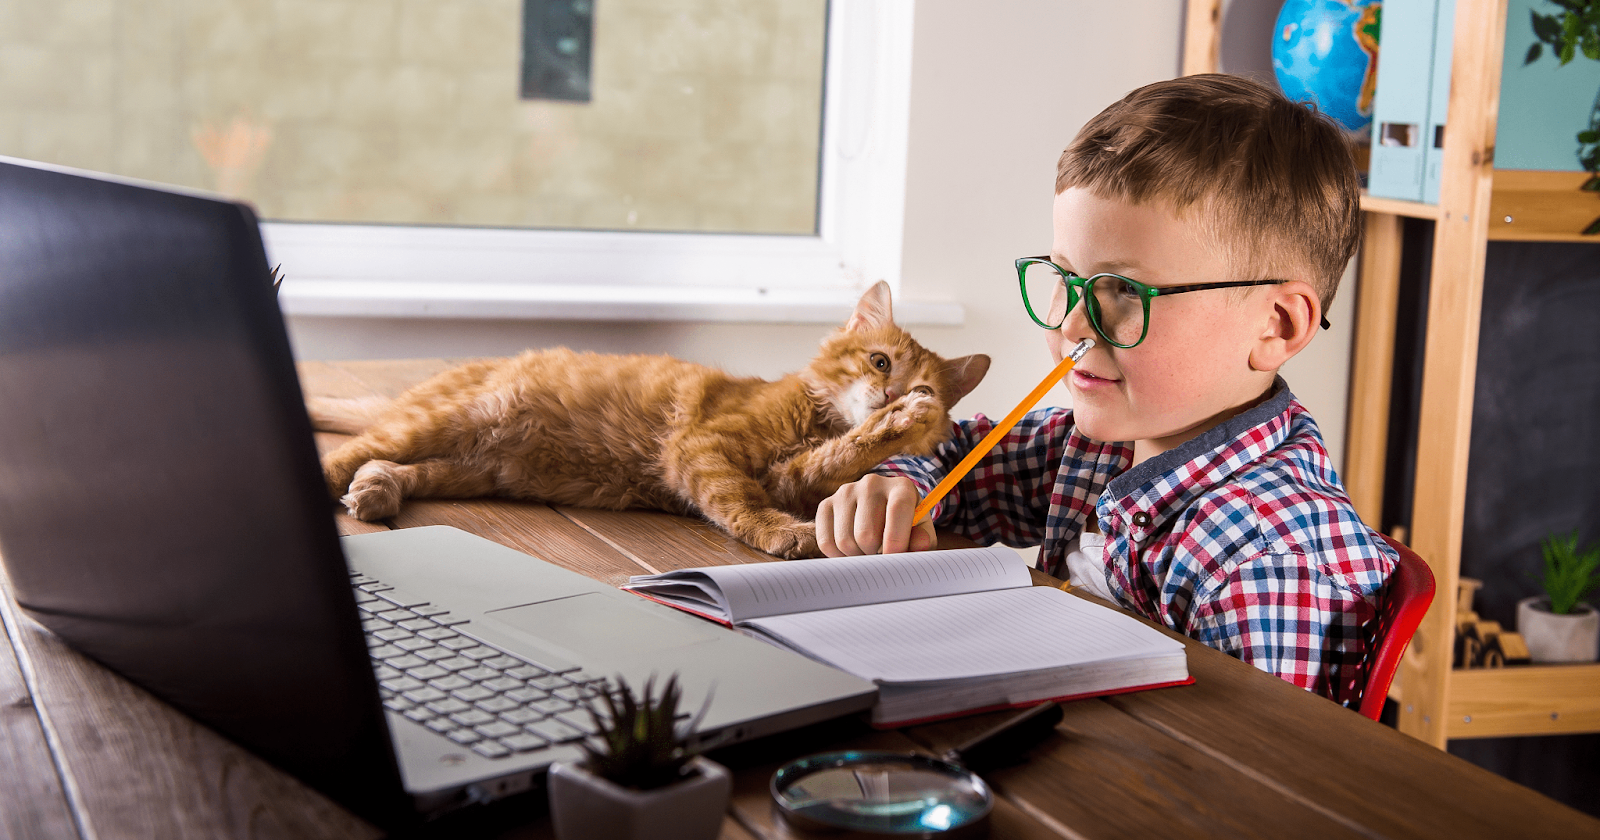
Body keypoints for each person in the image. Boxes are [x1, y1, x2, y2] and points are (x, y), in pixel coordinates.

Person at [814, 74, 1398, 707]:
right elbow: (950, 449)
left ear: (1276, 325)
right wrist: (894, 487)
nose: (1071, 327)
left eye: (1124, 292)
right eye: (1065, 281)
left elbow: (1256, 778)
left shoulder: (1265, 563)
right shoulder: (1106, 443)